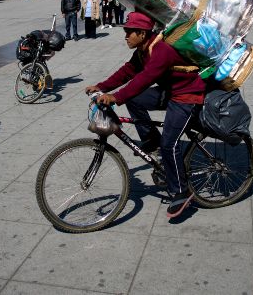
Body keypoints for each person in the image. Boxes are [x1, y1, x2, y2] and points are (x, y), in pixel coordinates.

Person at [85, 12, 206, 218]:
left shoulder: (161, 50)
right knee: (135, 99)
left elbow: (145, 79)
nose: (125, 36)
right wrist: (101, 86)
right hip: (170, 91)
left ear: (142, 33)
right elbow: (128, 71)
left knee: (170, 144)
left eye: (129, 32)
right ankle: (150, 139)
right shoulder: (143, 49)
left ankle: (181, 191)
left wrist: (116, 97)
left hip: (186, 95)